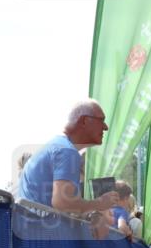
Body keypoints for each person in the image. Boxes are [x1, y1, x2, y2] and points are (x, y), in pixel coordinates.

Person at [16, 99, 120, 234]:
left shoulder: (58, 146)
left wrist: (90, 215)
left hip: (33, 237)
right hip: (40, 239)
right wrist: (99, 203)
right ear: (84, 121)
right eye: (101, 120)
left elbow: (61, 206)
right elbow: (62, 204)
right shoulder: (66, 150)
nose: (105, 127)